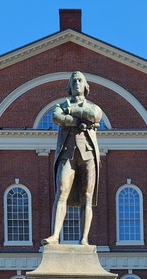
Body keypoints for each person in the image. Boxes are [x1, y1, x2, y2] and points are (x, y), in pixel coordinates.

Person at [41, 70, 103, 247]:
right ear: (69, 86)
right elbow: (56, 117)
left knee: (87, 197)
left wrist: (72, 112)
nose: (77, 83)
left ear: (85, 86)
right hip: (67, 154)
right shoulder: (60, 106)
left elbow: (95, 115)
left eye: (80, 80)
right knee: (61, 192)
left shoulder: (92, 106)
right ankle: (55, 236)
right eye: (73, 80)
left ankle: (84, 239)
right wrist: (78, 121)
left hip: (88, 154)